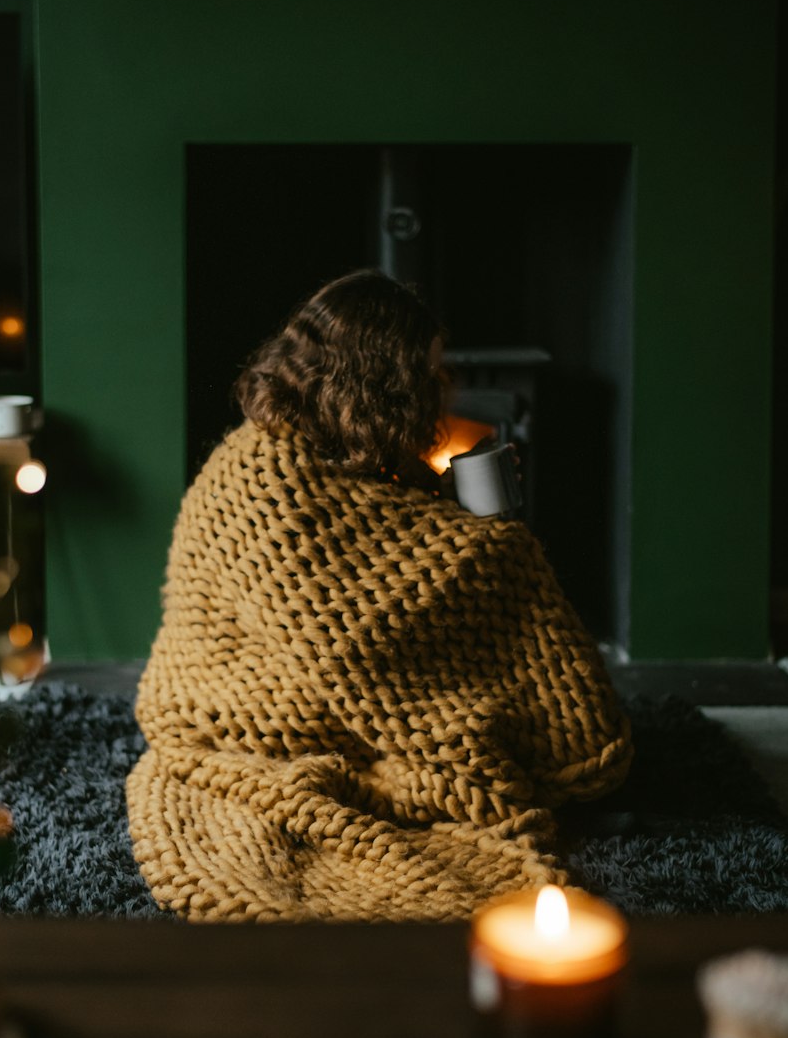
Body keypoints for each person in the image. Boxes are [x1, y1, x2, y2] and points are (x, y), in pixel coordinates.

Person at [127, 270, 632, 922]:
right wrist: (498, 538)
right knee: (504, 561)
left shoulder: (283, 442)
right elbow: (348, 627)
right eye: (429, 373)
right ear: (379, 382)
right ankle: (552, 731)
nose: (442, 385)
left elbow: (371, 533)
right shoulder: (274, 490)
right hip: (247, 695)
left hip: (259, 673)